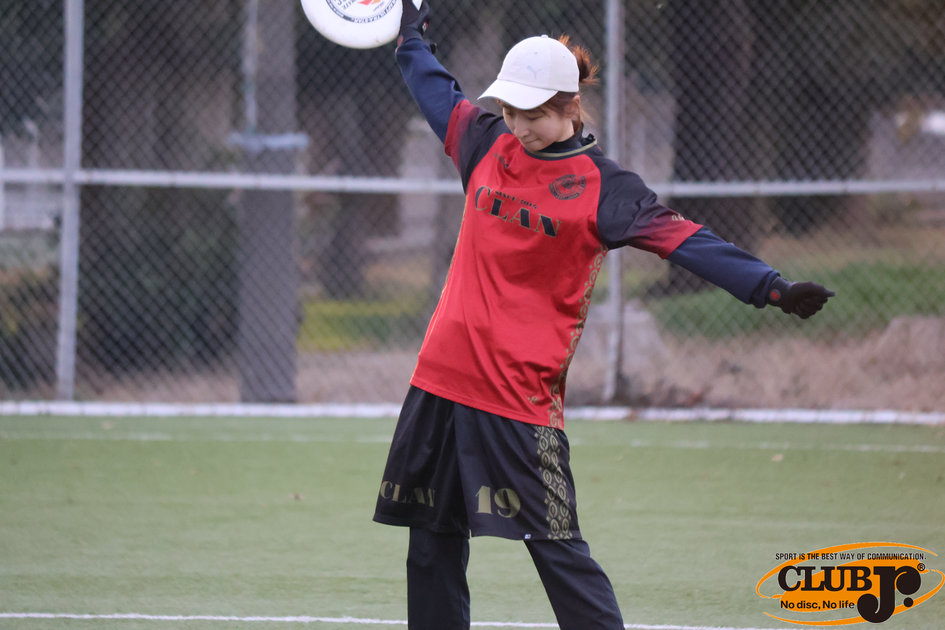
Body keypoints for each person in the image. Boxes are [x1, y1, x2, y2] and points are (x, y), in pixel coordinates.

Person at [373, 2, 835, 628]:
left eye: (533, 114)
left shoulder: (605, 188)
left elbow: (688, 242)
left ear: (571, 106)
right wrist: (410, 38)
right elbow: (435, 89)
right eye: (510, 111)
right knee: (430, 545)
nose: (519, 126)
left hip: (516, 398)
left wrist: (770, 288)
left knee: (557, 549)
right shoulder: (484, 142)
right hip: (441, 379)